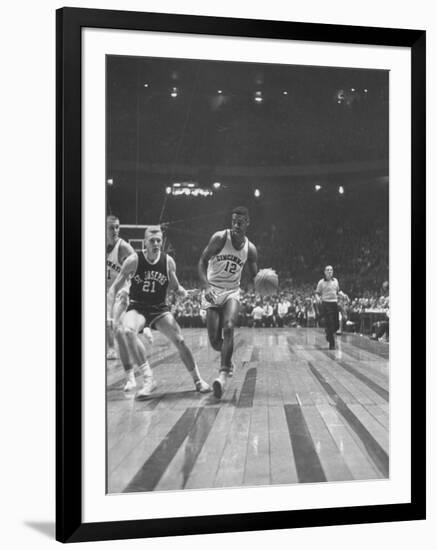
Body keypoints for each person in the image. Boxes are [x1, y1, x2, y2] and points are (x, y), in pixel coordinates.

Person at [108, 225, 211, 398]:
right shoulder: (134, 260)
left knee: (180, 340)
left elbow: (175, 286)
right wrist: (110, 315)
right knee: (127, 331)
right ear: (145, 243)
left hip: (158, 308)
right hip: (138, 306)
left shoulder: (168, 261)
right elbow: (114, 288)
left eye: (159, 241)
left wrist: (183, 292)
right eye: (152, 241)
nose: (156, 243)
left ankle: (198, 380)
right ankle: (148, 379)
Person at [198, 206, 258, 399]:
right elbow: (201, 262)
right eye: (233, 221)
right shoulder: (220, 238)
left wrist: (264, 283)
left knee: (229, 326)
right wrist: (206, 286)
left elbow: (256, 276)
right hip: (213, 289)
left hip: (232, 291)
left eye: (240, 222)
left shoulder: (250, 249)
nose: (236, 225)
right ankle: (228, 359)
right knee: (215, 341)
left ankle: (222, 376)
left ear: (248, 223)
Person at [106, 215, 137, 369]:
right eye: (112, 227)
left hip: (121, 290)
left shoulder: (123, 246)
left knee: (114, 323)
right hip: (106, 290)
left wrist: (133, 276)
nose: (115, 230)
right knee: (108, 322)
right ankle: (112, 348)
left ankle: (117, 350)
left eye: (117, 227)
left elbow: (138, 262)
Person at [315, 265, 346, 350]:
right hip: (325, 304)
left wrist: (342, 294)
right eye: (328, 270)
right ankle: (332, 344)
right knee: (329, 323)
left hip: (334, 303)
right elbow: (317, 293)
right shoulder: (321, 282)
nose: (329, 271)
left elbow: (338, 291)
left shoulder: (336, 281)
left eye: (331, 270)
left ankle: (328, 333)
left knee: (336, 325)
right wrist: (317, 298)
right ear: (324, 272)